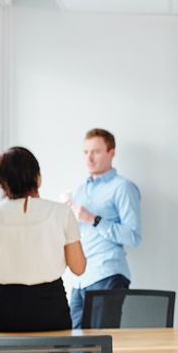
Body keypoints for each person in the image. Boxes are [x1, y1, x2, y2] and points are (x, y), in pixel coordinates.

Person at [0, 147, 86, 332]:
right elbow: (79, 268)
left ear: (2, 182)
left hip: (3, 309)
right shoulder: (62, 213)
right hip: (49, 308)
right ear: (38, 177)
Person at [67, 128, 141, 328]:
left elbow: (133, 235)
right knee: (71, 344)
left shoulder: (122, 187)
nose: (89, 158)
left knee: (100, 345)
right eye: (86, 152)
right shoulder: (79, 190)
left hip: (107, 273)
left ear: (111, 153)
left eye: (96, 151)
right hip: (80, 279)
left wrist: (93, 218)